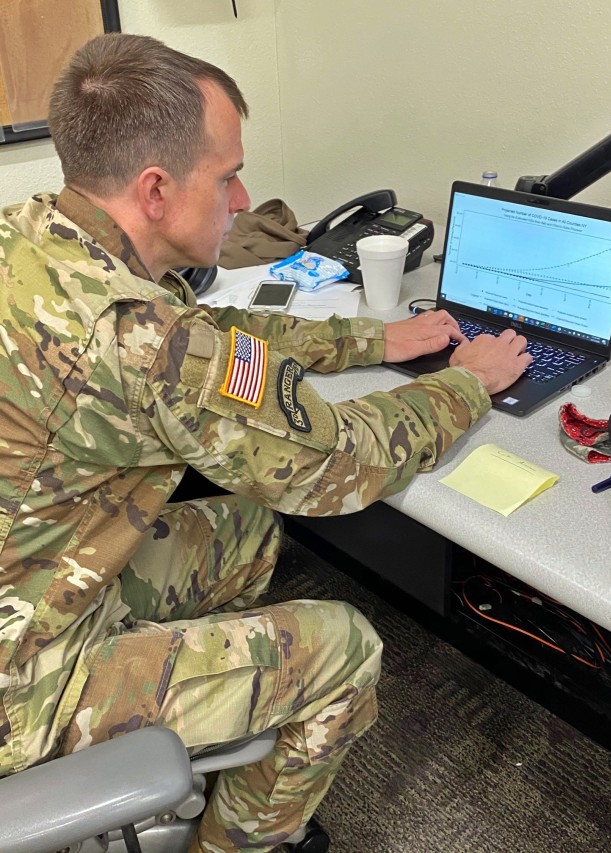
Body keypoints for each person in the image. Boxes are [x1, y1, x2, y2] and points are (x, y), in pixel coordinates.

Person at [0, 32, 531, 853]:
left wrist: (370, 340)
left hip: (40, 576)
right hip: (23, 682)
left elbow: (209, 329)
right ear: (154, 189)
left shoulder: (35, 235)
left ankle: (212, 735)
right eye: (227, 175)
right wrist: (469, 381)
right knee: (346, 649)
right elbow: (341, 460)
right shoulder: (142, 340)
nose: (244, 198)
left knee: (247, 533)